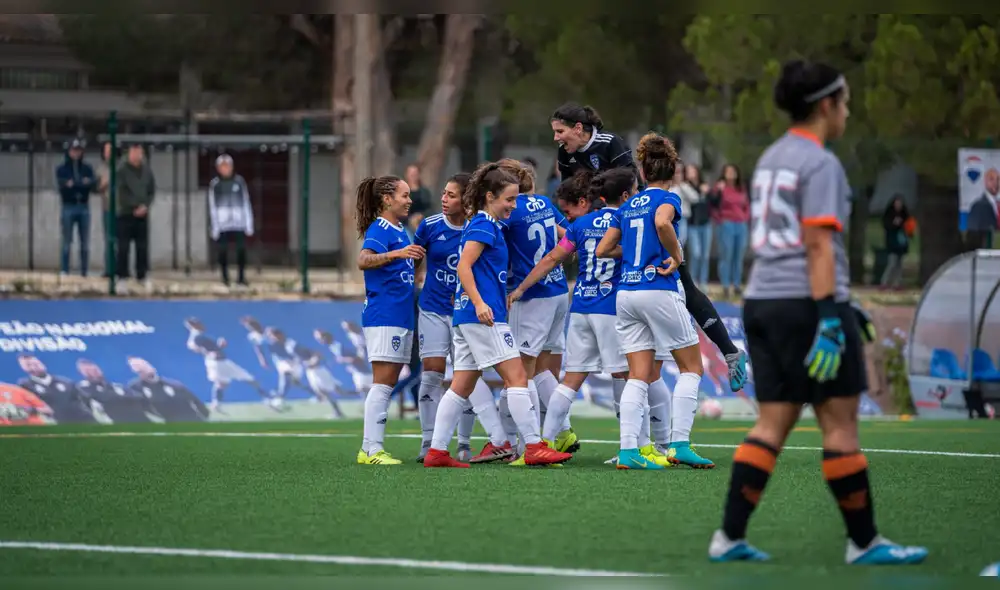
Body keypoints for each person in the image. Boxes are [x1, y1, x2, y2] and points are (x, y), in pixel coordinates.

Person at [708, 59, 927, 565]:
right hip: (807, 305)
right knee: (841, 428)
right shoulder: (821, 162)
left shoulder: (770, 157)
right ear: (826, 105)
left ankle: (728, 537)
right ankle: (864, 543)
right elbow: (816, 244)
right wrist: (832, 314)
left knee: (771, 426)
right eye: (845, 101)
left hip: (763, 303)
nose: (847, 110)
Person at [551, 103, 748, 393]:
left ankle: (730, 352)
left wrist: (605, 216)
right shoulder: (565, 155)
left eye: (560, 131)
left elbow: (630, 187)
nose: (557, 138)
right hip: (609, 226)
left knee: (686, 286)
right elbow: (572, 194)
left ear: (578, 128)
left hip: (635, 221)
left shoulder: (610, 143)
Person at [509, 169, 671, 467]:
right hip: (611, 310)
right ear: (625, 195)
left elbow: (552, 258)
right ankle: (642, 448)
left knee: (569, 381)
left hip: (581, 308)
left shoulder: (580, 224)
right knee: (631, 378)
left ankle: (544, 445)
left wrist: (520, 288)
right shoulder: (626, 219)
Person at [422, 163, 573, 468]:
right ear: (490, 197)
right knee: (517, 377)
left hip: (468, 316)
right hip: (483, 316)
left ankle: (436, 452)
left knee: (461, 384)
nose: (513, 206)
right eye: (509, 199)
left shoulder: (488, 223)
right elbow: (463, 266)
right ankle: (533, 446)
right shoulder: (483, 225)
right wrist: (479, 303)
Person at [596, 133, 713, 470]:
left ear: (643, 173)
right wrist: (677, 256)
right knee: (691, 367)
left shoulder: (628, 204)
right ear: (672, 172)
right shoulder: (668, 198)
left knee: (638, 374)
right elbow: (662, 222)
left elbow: (603, 249)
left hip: (626, 294)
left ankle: (629, 451)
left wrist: (634, 256)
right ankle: (679, 445)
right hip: (657, 289)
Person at [412, 173, 511, 463]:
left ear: (466, 199)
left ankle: (464, 442)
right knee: (432, 371)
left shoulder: (479, 227)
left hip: (465, 311)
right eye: (443, 193)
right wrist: (417, 275)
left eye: (451, 195)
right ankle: (428, 440)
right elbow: (416, 258)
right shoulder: (430, 226)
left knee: (467, 374)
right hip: (433, 308)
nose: (444, 199)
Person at [497, 158, 576, 462]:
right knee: (542, 368)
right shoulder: (543, 202)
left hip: (532, 295)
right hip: (558, 292)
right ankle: (564, 430)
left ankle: (525, 445)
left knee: (522, 372)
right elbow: (566, 233)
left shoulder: (511, 210)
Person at [355, 175, 424, 465]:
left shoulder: (400, 230)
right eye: (404, 195)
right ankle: (372, 450)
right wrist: (397, 253)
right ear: (387, 199)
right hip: (384, 314)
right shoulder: (380, 228)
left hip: (400, 313)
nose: (409, 200)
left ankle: (370, 448)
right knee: (382, 383)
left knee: (390, 379)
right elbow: (363, 260)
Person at [208, 154, 255, 287]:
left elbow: (246, 202)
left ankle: (241, 277)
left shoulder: (239, 182)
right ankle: (225, 277)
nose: (225, 169)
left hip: (238, 222)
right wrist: (215, 226)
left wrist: (249, 223)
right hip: (222, 223)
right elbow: (212, 206)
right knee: (222, 250)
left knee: (241, 249)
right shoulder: (215, 184)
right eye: (222, 166)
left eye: (227, 166)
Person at [116, 143, 156, 285]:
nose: (136, 155)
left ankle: (142, 275)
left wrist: (145, 205)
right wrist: (134, 207)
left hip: (142, 214)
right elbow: (121, 192)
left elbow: (151, 190)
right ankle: (122, 277)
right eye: (133, 152)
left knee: (142, 247)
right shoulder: (121, 170)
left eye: (138, 152)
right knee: (123, 247)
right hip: (125, 214)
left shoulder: (147, 170)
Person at [56, 137, 95, 277]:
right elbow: (63, 186)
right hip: (68, 206)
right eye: (73, 150)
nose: (76, 153)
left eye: (78, 150)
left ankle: (84, 271)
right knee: (67, 241)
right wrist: (80, 184)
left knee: (85, 242)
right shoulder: (62, 169)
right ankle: (65, 270)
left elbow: (91, 184)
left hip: (83, 206)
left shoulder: (87, 168)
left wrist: (76, 184)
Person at [710, 164, 750, 298]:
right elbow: (713, 205)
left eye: (733, 171)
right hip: (726, 223)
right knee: (726, 255)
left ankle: (737, 285)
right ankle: (726, 285)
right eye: (728, 171)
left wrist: (745, 217)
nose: (731, 174)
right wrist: (720, 219)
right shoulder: (720, 188)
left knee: (739, 256)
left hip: (741, 224)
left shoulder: (741, 188)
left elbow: (746, 205)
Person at [683, 164, 712, 288]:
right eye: (689, 171)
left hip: (706, 223)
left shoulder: (703, 185)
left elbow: (713, 202)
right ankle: (693, 281)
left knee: (705, 255)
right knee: (696, 253)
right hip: (692, 224)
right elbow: (692, 201)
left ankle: (704, 282)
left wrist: (708, 192)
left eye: (693, 171)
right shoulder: (685, 187)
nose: (691, 173)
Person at [879, 195, 910, 289]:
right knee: (892, 263)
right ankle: (884, 282)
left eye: (900, 203)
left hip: (901, 242)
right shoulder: (889, 214)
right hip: (892, 242)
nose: (898, 205)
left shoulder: (904, 215)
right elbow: (886, 226)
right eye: (897, 203)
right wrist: (894, 224)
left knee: (899, 264)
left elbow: (909, 228)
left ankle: (897, 283)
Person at [95, 142, 115, 277]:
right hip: (107, 207)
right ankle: (109, 269)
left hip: (120, 208)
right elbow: (96, 188)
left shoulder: (120, 167)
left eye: (111, 151)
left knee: (121, 240)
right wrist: (103, 185)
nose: (109, 154)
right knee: (108, 239)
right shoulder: (101, 169)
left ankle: (121, 269)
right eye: (107, 151)